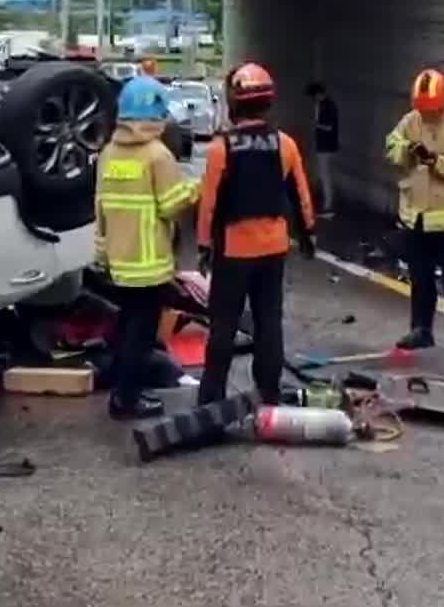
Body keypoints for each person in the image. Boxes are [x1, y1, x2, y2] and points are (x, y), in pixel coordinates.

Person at [195, 62, 316, 407]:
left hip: (234, 250)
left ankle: (211, 396)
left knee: (223, 325)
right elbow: (301, 196)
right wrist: (308, 234)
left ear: (234, 102)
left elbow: (209, 203)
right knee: (268, 322)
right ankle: (269, 391)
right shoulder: (285, 145)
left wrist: (204, 244)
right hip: (274, 248)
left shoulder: (223, 148)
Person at [93, 75, 200, 420]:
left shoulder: (109, 153)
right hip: (149, 262)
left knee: (126, 330)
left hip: (120, 261)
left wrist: (101, 253)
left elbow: (100, 207)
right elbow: (171, 205)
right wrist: (197, 187)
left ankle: (122, 393)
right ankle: (128, 400)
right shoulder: (158, 155)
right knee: (141, 334)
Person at [383, 68, 444, 355]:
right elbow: (391, 147)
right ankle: (421, 329)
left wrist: (436, 162)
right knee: (420, 277)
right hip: (416, 216)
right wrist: (407, 151)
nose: (426, 115)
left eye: (431, 109)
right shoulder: (410, 121)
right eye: (422, 109)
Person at [306, 82, 340, 217]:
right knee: (324, 174)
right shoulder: (322, 105)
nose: (313, 99)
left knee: (325, 175)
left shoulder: (329, 105)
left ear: (319, 94)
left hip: (326, 145)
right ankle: (327, 204)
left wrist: (316, 125)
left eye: (314, 96)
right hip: (323, 144)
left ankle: (328, 206)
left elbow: (329, 127)